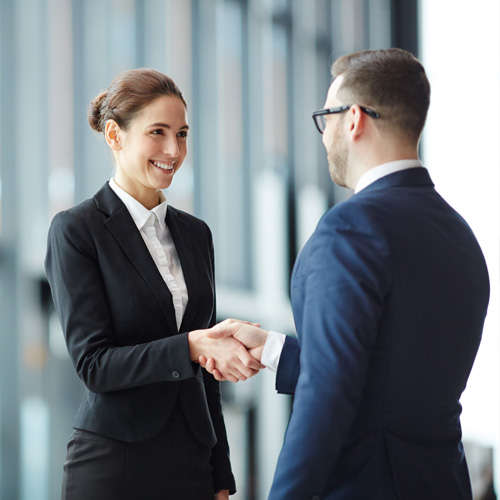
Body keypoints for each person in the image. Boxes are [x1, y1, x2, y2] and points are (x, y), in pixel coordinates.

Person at [202, 48, 490, 499]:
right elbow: (388, 381)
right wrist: (276, 350)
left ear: (354, 118)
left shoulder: (350, 229)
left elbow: (328, 397)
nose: (324, 135)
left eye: (327, 117)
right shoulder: (461, 237)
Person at [45, 68, 263, 500]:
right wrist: (191, 346)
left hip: (192, 464)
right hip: (114, 465)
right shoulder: (77, 229)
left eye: (181, 134)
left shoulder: (195, 234)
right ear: (114, 135)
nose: (173, 150)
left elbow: (207, 375)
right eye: (157, 132)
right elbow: (94, 365)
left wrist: (221, 476)